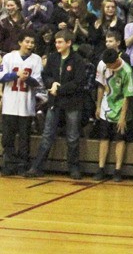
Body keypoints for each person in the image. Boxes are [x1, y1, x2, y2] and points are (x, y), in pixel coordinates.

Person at [25, 29, 87, 179]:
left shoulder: (78, 60)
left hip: (72, 103)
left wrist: (59, 89)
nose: (57, 44)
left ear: (69, 43)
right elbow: (45, 75)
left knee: (72, 136)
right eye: (56, 42)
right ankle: (37, 167)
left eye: (60, 42)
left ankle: (73, 167)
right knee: (47, 134)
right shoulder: (53, 58)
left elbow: (79, 83)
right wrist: (51, 83)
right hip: (55, 102)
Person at [0, 29, 43, 175]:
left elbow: (38, 81)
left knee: (25, 138)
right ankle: (8, 164)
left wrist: (27, 79)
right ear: (20, 42)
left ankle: (22, 165)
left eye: (32, 42)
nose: (30, 45)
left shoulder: (36, 59)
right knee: (7, 138)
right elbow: (1, 76)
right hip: (9, 105)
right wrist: (15, 75)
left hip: (26, 105)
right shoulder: (9, 58)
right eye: (27, 41)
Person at [93, 48, 133, 182]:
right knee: (104, 138)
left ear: (116, 60)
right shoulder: (102, 65)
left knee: (120, 139)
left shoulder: (126, 71)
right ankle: (101, 168)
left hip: (121, 108)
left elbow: (127, 97)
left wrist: (123, 117)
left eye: (109, 65)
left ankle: (117, 170)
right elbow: (100, 85)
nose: (107, 67)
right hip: (106, 106)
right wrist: (98, 106)